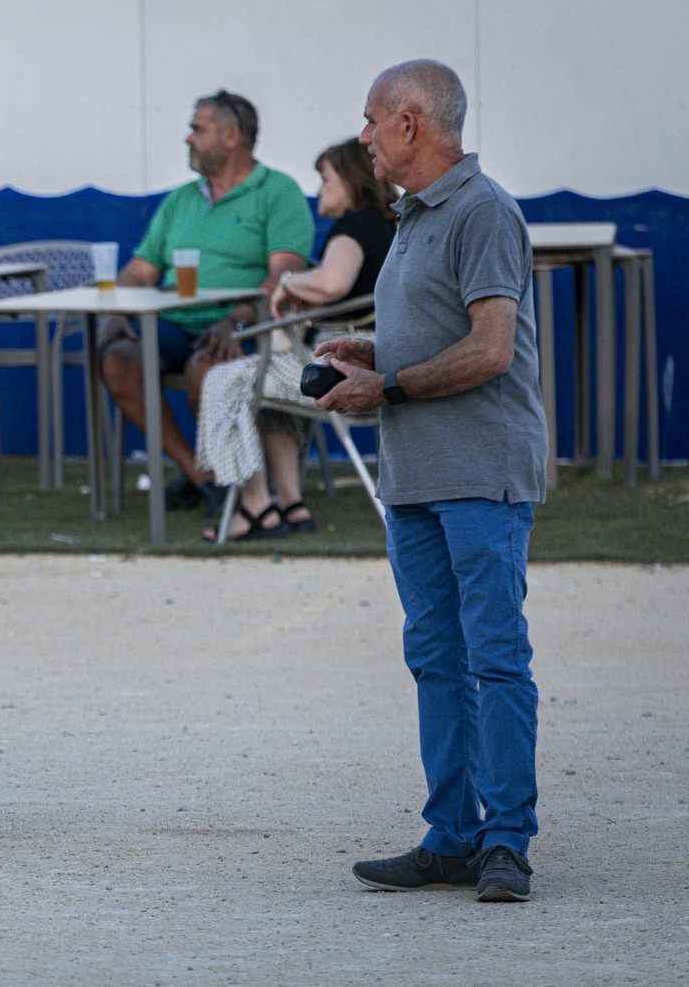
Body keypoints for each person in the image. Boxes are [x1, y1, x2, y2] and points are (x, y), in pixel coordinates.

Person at [316, 60, 546, 902]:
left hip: (479, 471)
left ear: (412, 124)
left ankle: (506, 842)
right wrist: (370, 353)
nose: (366, 138)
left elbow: (489, 349)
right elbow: (443, 333)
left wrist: (392, 386)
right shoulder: (413, 216)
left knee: (493, 657)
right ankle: (451, 834)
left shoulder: (483, 211)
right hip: (414, 474)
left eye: (374, 121)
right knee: (437, 658)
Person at [100, 90, 314, 514]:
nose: (187, 138)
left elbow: (283, 278)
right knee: (117, 357)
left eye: (198, 129)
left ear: (232, 136)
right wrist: (114, 311)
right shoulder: (181, 200)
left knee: (208, 366)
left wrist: (236, 321)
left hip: (249, 327)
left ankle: (233, 484)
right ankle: (205, 478)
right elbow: (140, 270)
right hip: (177, 323)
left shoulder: (278, 192)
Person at [194, 137, 397, 540]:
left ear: (352, 182)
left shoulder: (353, 226)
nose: (319, 190)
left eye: (325, 180)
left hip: (338, 368)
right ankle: (291, 502)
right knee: (269, 387)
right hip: (379, 360)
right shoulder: (392, 225)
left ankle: (255, 507)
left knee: (223, 378)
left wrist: (289, 282)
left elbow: (333, 282)